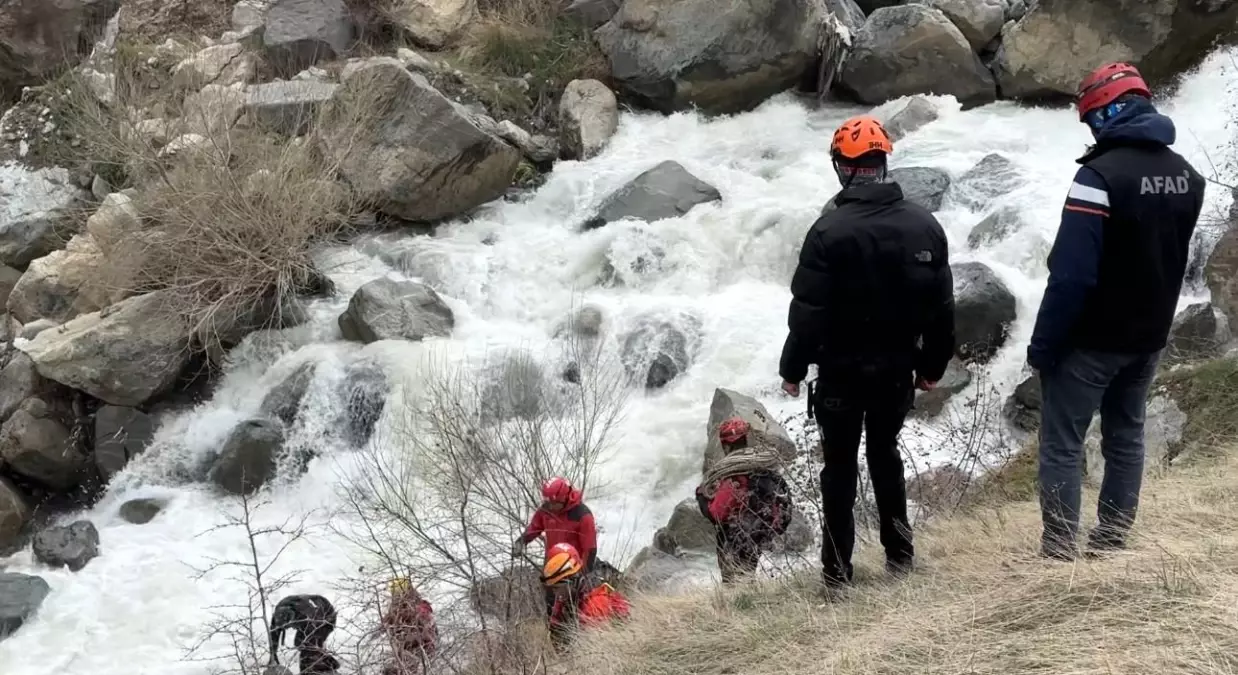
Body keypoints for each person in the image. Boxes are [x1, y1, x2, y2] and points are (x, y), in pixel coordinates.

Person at [1028, 62, 1204, 560]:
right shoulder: (1187, 176)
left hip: (1090, 341)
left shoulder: (1096, 177)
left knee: (1062, 445)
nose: (1089, 129)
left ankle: (1060, 551)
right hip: (1148, 336)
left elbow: (1070, 276)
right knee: (1125, 439)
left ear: (1107, 112)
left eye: (1090, 120)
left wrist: (1043, 347)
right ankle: (1110, 543)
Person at [779, 115, 955, 588]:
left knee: (838, 469)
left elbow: (807, 314)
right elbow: (941, 309)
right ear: (883, 164)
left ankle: (837, 574)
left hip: (840, 373)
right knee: (886, 456)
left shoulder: (827, 232)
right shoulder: (925, 226)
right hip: (897, 369)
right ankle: (900, 557)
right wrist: (933, 367)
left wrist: (792, 369)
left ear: (843, 167)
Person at [695, 417, 793, 582]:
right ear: (746, 439)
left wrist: (701, 496)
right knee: (747, 575)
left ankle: (740, 602)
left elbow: (717, 514)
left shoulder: (736, 478)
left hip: (739, 539)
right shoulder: (764, 469)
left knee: (735, 580)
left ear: (725, 445)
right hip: (761, 534)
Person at [512, 476, 598, 616]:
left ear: (564, 498)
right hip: (552, 566)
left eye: (554, 504)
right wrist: (522, 541)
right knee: (551, 606)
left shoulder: (582, 515)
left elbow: (590, 549)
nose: (550, 507)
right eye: (548, 503)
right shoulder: (547, 509)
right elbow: (535, 526)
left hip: (571, 571)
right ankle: (553, 635)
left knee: (572, 610)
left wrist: (582, 575)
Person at [541, 542, 630, 649]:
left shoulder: (595, 603)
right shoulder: (567, 599)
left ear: (570, 582)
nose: (555, 593)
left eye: (557, 588)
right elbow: (556, 633)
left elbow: (598, 650)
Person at [269, 594, 340, 674]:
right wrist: (273, 653)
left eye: (289, 626)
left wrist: (304, 671)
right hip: (312, 611)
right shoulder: (278, 611)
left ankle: (327, 666)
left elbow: (310, 645)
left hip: (326, 616)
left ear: (294, 618)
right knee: (299, 643)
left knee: (308, 649)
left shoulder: (306, 615)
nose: (290, 628)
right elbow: (274, 632)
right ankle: (322, 663)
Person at [380, 578, 438, 675]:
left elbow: (425, 624)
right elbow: (386, 624)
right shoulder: (397, 609)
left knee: (408, 666)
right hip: (407, 646)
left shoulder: (419, 607)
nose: (397, 597)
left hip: (421, 646)